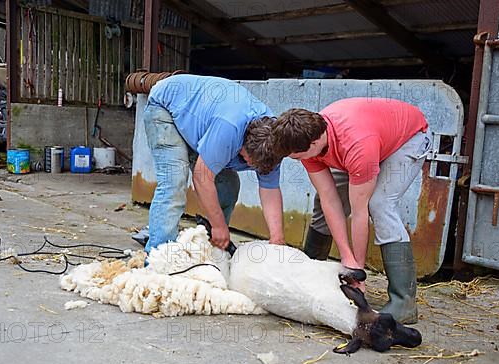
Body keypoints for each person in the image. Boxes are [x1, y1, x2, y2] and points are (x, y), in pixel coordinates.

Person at [272, 98, 430, 324]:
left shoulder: (356, 145)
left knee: (380, 204)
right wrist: (346, 256)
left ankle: (403, 302)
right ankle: (310, 275)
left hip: (406, 139)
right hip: (367, 138)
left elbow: (359, 212)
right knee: (322, 204)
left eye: (297, 157)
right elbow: (330, 199)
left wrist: (357, 268)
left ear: (315, 142)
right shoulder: (304, 138)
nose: (296, 161)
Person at [143, 74, 285, 253]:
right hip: (166, 106)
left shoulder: (275, 143)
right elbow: (202, 177)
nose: (250, 166)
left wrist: (277, 239)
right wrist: (219, 226)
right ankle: (158, 258)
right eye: (250, 161)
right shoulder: (229, 129)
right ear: (241, 145)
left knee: (229, 185)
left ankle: (210, 248)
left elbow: (270, 190)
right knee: (174, 182)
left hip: (202, 121)